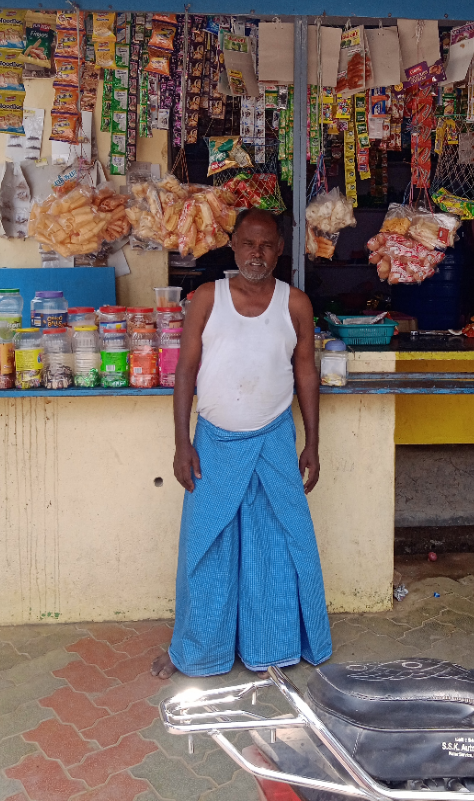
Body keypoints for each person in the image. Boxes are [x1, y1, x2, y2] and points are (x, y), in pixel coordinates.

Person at [151, 208, 332, 678]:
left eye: (268, 245)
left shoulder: (295, 305)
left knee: (280, 545)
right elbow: (185, 373)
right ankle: (196, 651)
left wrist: (312, 442)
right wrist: (181, 443)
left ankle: (274, 648)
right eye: (249, 243)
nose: (258, 253)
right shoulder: (208, 299)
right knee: (206, 547)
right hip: (213, 441)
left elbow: (306, 373)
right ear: (232, 245)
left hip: (274, 438)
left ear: (279, 251)